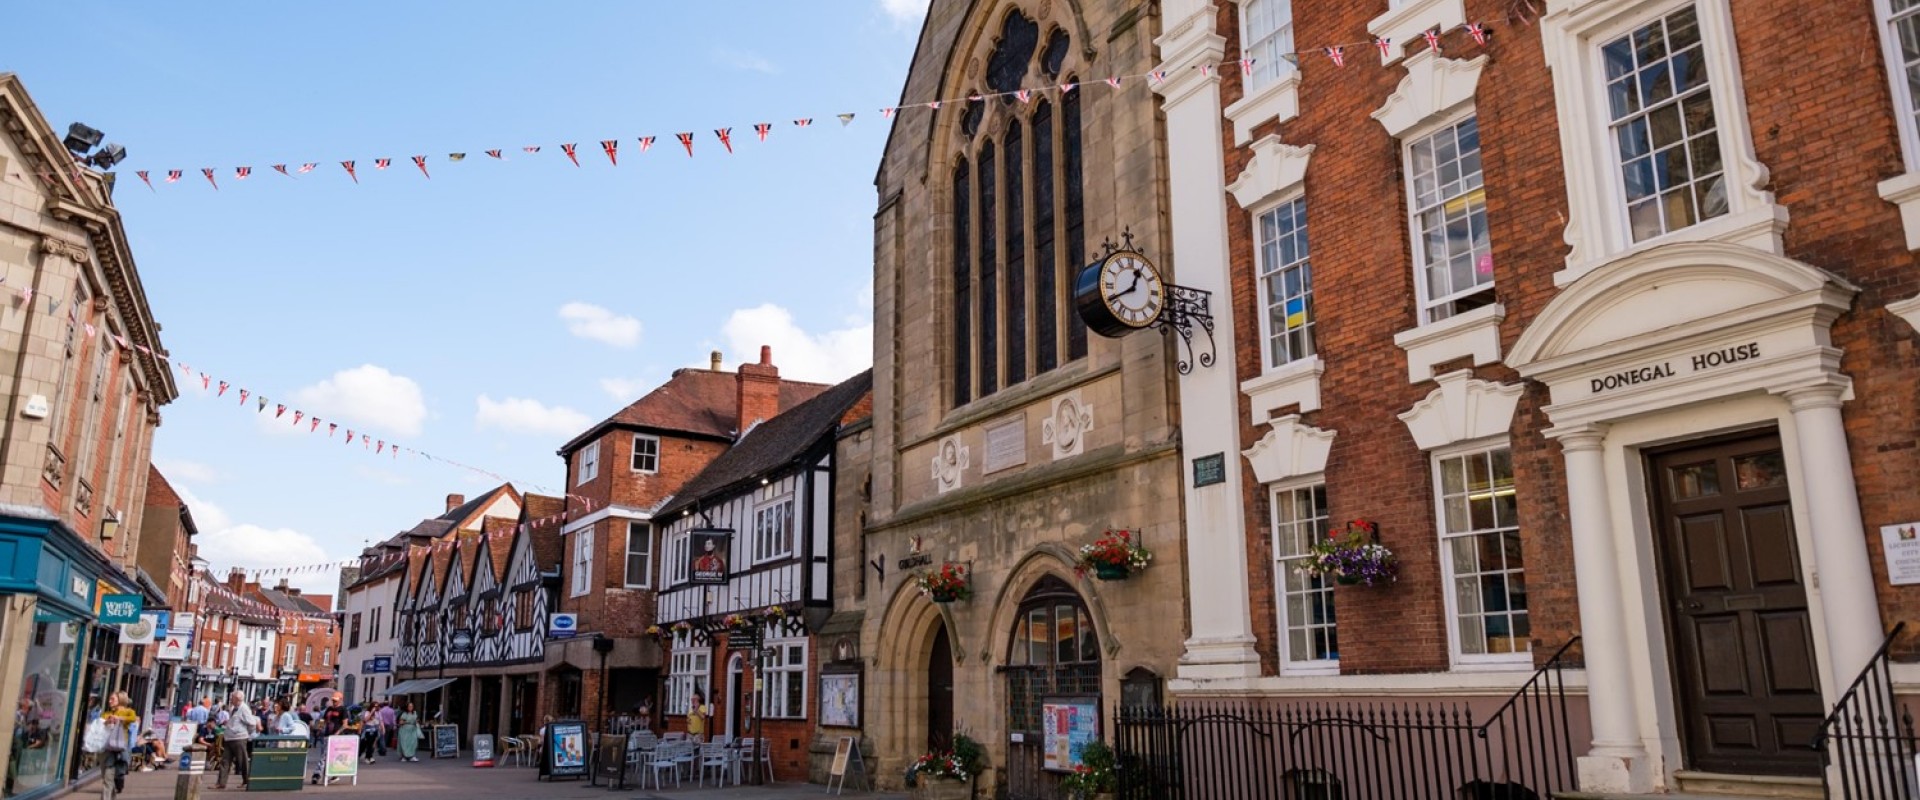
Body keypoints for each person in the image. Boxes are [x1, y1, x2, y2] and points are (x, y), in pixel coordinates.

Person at [214, 691, 257, 790]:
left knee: (242, 761)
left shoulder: (244, 709)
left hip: (239, 738)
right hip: (229, 738)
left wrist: (245, 733)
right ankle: (221, 783)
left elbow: (252, 723)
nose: (230, 699)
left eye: (232, 697)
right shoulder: (233, 708)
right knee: (225, 761)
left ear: (238, 699)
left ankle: (246, 781)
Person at [100, 691, 138, 794]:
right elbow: (101, 722)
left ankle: (119, 778)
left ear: (120, 700)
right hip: (109, 744)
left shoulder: (128, 711)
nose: (109, 701)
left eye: (112, 699)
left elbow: (133, 718)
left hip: (122, 742)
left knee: (123, 761)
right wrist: (107, 721)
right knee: (108, 769)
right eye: (109, 699)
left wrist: (119, 718)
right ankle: (110, 787)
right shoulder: (108, 713)